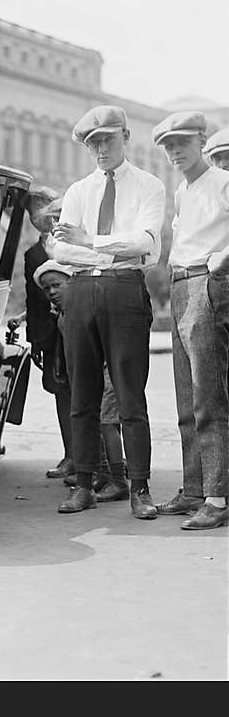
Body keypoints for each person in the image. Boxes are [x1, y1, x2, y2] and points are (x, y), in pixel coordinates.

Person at [51, 105, 165, 518]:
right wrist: (99, 243)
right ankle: (84, 485)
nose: (100, 149)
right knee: (83, 394)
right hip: (80, 290)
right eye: (92, 142)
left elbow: (145, 243)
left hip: (125, 290)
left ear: (125, 137)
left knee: (130, 395)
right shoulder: (79, 190)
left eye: (107, 139)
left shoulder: (150, 186)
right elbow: (61, 249)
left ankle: (140, 488)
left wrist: (90, 239)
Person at [151, 111, 229, 530]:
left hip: (207, 282)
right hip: (182, 284)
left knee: (207, 396)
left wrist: (223, 259)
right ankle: (195, 489)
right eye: (168, 146)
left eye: (181, 142)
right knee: (185, 398)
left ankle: (217, 497)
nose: (174, 151)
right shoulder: (183, 191)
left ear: (201, 140)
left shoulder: (222, 181)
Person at [33, 259, 128, 502]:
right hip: (92, 374)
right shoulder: (63, 314)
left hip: (108, 372)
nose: (52, 292)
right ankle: (103, 473)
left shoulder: (85, 308)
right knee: (95, 421)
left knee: (107, 423)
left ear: (72, 283)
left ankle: (119, 481)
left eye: (57, 285)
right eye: (46, 289)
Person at [9, 186, 74, 479]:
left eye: (44, 209)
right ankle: (71, 455)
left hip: (78, 328)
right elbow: (34, 299)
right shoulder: (32, 253)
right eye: (32, 212)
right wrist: (35, 337)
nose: (40, 217)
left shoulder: (76, 243)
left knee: (93, 392)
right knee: (61, 391)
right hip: (50, 336)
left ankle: (101, 460)